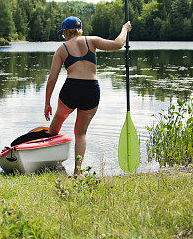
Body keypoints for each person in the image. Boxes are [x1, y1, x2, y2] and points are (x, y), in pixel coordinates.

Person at [44, 16, 131, 174]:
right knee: (81, 132)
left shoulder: (62, 49)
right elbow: (118, 44)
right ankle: (77, 172)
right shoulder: (92, 41)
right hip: (91, 90)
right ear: (80, 30)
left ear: (65, 32)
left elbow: (52, 79)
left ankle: (47, 159)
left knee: (57, 121)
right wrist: (124, 29)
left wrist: (47, 103)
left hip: (71, 88)